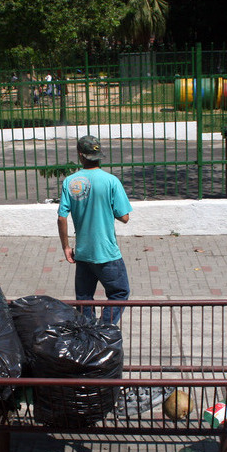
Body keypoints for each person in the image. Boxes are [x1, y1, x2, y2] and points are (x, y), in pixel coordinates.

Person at [57, 135, 132, 325]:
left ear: (80, 156)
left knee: (84, 299)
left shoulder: (70, 182)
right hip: (107, 252)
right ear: (99, 155)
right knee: (120, 292)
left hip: (82, 253)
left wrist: (66, 247)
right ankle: (104, 328)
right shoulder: (111, 181)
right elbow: (124, 217)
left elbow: (61, 217)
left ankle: (88, 333)